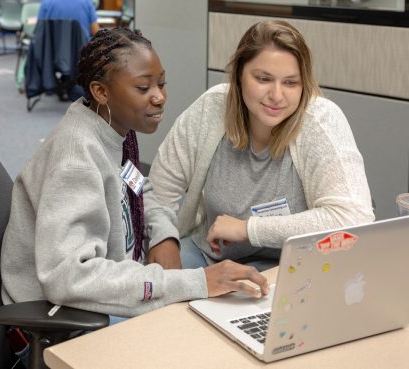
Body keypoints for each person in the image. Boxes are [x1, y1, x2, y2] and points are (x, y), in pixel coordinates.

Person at [1, 28, 270, 323]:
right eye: (143, 89)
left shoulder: (115, 132)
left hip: (108, 283)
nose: (159, 98)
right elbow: (68, 277)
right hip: (61, 319)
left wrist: (162, 235)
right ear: (101, 91)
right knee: (194, 325)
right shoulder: (78, 159)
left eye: (162, 84)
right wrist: (196, 283)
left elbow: (139, 187)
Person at [148, 20, 374, 271]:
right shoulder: (212, 108)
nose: (277, 95)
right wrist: (164, 239)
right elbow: (159, 191)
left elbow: (353, 219)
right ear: (239, 76)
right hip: (209, 257)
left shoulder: (321, 120)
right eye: (264, 79)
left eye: (290, 83)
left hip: (289, 266)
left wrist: (248, 229)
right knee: (140, 303)